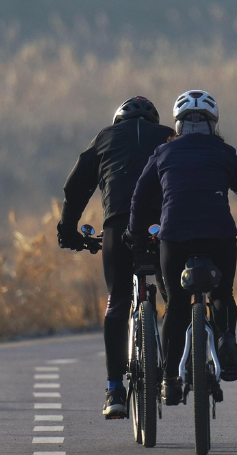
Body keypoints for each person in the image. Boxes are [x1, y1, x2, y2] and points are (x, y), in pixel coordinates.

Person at [125, 90, 237, 406]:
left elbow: (140, 197)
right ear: (213, 124)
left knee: (177, 306)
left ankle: (169, 380)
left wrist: (135, 234)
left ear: (177, 125)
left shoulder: (163, 154)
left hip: (174, 237)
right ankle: (227, 340)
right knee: (222, 294)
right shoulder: (225, 153)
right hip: (219, 236)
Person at [57, 96, 174, 419]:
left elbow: (75, 188)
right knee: (174, 298)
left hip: (118, 224)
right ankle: (172, 374)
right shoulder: (168, 136)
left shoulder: (104, 138)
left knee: (118, 300)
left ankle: (114, 390)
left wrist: (68, 231)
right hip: (162, 224)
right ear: (154, 121)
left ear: (118, 120)